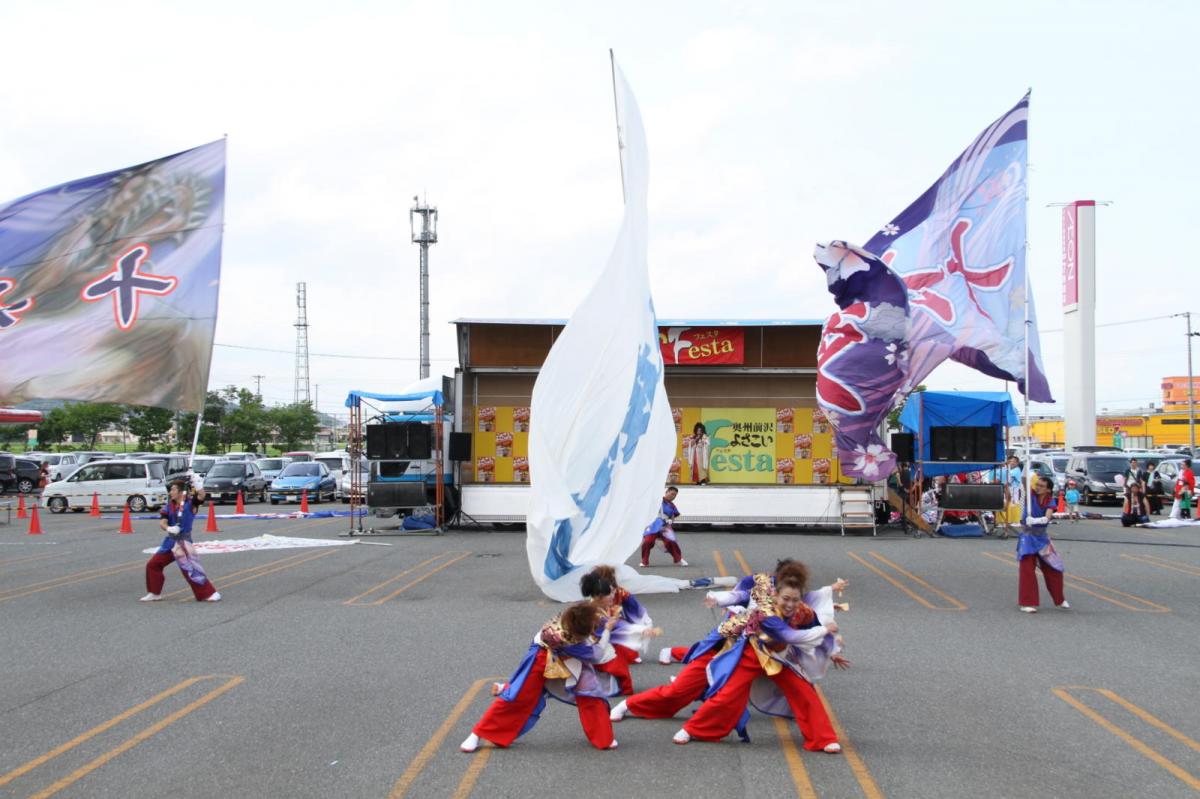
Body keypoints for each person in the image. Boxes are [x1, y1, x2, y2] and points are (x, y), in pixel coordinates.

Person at [672, 567, 846, 751]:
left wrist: (832, 651)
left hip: (780, 658)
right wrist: (825, 630)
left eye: (795, 600)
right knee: (727, 695)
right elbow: (790, 636)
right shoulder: (766, 613)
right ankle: (693, 729)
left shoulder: (803, 611)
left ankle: (824, 739)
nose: (790, 604)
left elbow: (814, 631)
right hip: (753, 652)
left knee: (805, 691)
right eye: (786, 599)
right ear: (775, 595)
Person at [460, 602, 620, 752]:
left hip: (557, 655)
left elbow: (588, 615)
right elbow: (596, 655)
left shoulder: (571, 615)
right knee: (519, 697)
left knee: (590, 696)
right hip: (542, 659)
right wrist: (607, 630)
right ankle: (477, 733)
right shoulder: (574, 644)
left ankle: (603, 736)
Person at [580, 566, 660, 695]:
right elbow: (618, 627)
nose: (613, 595)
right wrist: (642, 630)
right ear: (599, 596)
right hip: (594, 648)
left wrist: (642, 627)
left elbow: (617, 625)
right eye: (610, 593)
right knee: (618, 668)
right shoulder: (595, 613)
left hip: (602, 642)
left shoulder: (599, 605)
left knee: (621, 658)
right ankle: (606, 687)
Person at [142, 477, 220, 602]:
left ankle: (208, 593)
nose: (170, 492)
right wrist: (169, 528)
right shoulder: (169, 506)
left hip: (183, 542)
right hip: (169, 542)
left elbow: (201, 496)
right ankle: (154, 593)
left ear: (180, 492)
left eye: (173, 490)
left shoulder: (190, 504)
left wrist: (198, 485)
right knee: (153, 565)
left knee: (189, 569)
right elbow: (162, 522)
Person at [1017, 476, 1068, 613]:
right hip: (1027, 539)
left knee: (1055, 568)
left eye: (1041, 486)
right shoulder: (1030, 495)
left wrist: (1034, 520)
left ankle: (1059, 598)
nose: (1038, 487)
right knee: (1027, 570)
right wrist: (1027, 460)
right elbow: (1024, 478)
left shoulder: (1050, 501)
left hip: (1041, 539)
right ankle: (1027, 602)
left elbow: (1047, 517)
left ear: (1048, 490)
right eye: (1037, 484)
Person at [641, 486, 686, 567]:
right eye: (672, 494)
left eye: (675, 495)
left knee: (671, 541)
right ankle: (644, 561)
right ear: (667, 492)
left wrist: (671, 521)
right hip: (653, 526)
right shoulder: (657, 500)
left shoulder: (672, 505)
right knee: (647, 542)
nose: (673, 496)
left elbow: (673, 516)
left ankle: (678, 559)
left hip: (665, 526)